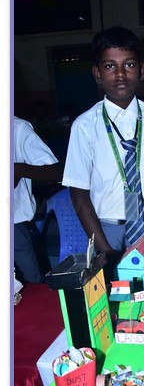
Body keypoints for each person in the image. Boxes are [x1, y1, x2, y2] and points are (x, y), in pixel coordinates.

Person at [62, 26, 144, 258]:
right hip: (108, 231)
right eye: (110, 66)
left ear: (141, 70)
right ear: (97, 74)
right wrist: (106, 251)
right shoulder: (85, 126)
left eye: (129, 65)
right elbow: (79, 197)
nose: (120, 74)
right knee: (114, 282)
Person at [14, 116, 62, 282]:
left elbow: (55, 171)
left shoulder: (16, 128)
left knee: (28, 287)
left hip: (12, 226)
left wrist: (19, 170)